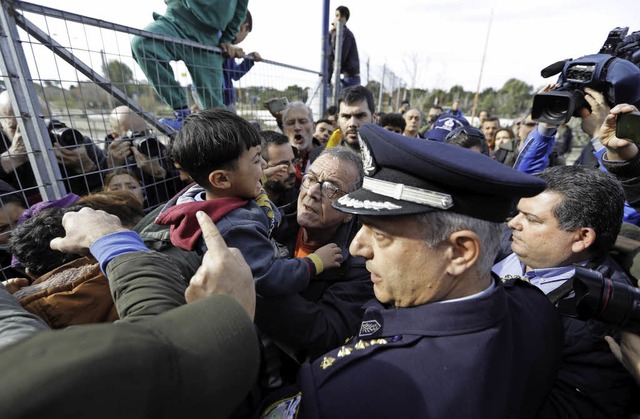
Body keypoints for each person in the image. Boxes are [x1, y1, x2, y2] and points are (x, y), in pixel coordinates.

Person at [253, 124, 563, 417]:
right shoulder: (536, 307)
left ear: (461, 252)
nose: (359, 248)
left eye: (382, 235)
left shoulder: (353, 390)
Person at [0, 209, 259, 417]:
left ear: (30, 272)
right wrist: (113, 241)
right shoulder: (170, 267)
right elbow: (160, 351)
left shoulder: (26, 310)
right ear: (86, 251)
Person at [492, 164, 636, 418]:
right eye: (518, 213)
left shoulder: (603, 315)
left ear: (582, 238)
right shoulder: (507, 242)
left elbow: (580, 406)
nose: (513, 223)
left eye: (532, 219)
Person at [154, 108, 342, 297]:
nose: (264, 164)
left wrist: (260, 178)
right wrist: (315, 262)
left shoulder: (213, 193)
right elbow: (269, 277)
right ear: (220, 180)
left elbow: (232, 183)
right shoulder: (235, 228)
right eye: (255, 161)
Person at [130, 0, 248, 130]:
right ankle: (181, 113)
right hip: (176, 18)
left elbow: (240, 8)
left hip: (209, 37)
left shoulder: (224, 44)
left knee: (214, 109)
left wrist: (227, 38)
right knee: (143, 43)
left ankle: (222, 141)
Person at [0, 91, 106, 203]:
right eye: (17, 128)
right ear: (1, 125)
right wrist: (11, 159)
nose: (33, 134)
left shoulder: (74, 142)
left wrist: (86, 167)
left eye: (40, 124)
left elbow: (109, 190)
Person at [106, 105, 184, 209]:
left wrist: (161, 173)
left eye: (145, 133)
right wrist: (113, 167)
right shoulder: (109, 156)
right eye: (134, 135)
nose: (142, 139)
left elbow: (182, 185)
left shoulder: (156, 147)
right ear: (115, 136)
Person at [222, 11, 262, 111]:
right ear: (244, 27)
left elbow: (235, 74)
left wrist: (249, 60)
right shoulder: (218, 40)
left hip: (225, 99)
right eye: (246, 34)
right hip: (215, 96)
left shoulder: (230, 48)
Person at [323, 85, 374, 155]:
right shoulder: (318, 157)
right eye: (346, 116)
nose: (352, 123)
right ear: (338, 119)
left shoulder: (389, 157)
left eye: (360, 116)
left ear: (374, 119)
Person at [281, 102, 317, 188]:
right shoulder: (277, 161)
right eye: (290, 123)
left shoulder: (326, 155)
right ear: (284, 130)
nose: (297, 127)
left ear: (314, 127)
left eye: (303, 122)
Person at [258, 130, 298, 208]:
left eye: (293, 162)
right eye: (283, 165)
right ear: (262, 167)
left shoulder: (299, 203)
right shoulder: (246, 209)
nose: (293, 171)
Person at [328, 6, 360, 89]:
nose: (338, 19)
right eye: (337, 15)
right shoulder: (334, 34)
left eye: (341, 16)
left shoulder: (346, 34)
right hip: (345, 77)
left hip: (351, 78)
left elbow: (340, 57)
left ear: (346, 19)